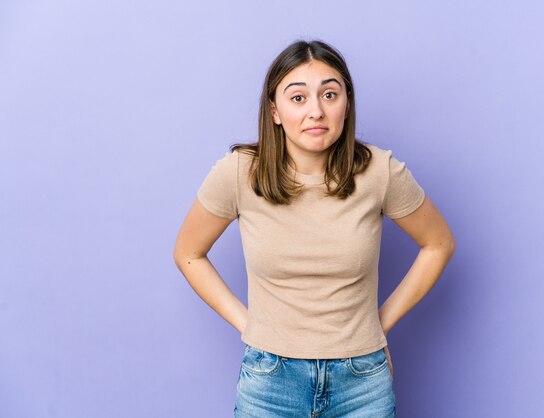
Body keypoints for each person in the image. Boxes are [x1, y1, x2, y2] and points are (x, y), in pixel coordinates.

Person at [173, 39, 455, 417]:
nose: (316, 111)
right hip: (270, 381)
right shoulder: (239, 172)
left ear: (347, 104)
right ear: (275, 111)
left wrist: (379, 323)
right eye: (298, 98)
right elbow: (188, 253)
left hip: (362, 383)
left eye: (329, 94)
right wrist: (249, 324)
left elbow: (438, 243)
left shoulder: (379, 171)